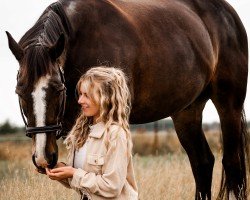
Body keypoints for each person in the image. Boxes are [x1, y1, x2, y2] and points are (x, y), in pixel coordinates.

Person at [45, 66, 138, 200]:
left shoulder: (115, 134)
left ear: (105, 98)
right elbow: (81, 181)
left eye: (86, 95)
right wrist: (56, 168)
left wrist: (74, 173)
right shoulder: (82, 132)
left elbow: (112, 187)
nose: (80, 100)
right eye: (81, 94)